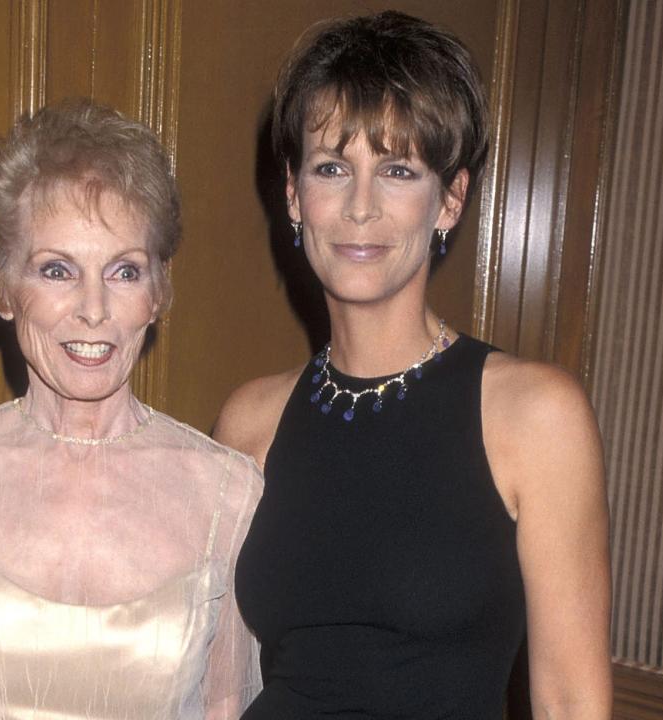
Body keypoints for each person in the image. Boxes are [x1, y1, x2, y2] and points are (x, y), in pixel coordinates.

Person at [215, 10, 611, 719]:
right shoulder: (250, 421)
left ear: (450, 200)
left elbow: (571, 702)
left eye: (398, 170)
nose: (359, 209)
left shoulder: (533, 414)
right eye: (332, 168)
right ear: (293, 193)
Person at [0, 99, 262, 720]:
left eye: (125, 272)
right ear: (0, 285)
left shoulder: (229, 494)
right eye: (57, 270)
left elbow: (228, 704)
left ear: (158, 292)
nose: (94, 309)